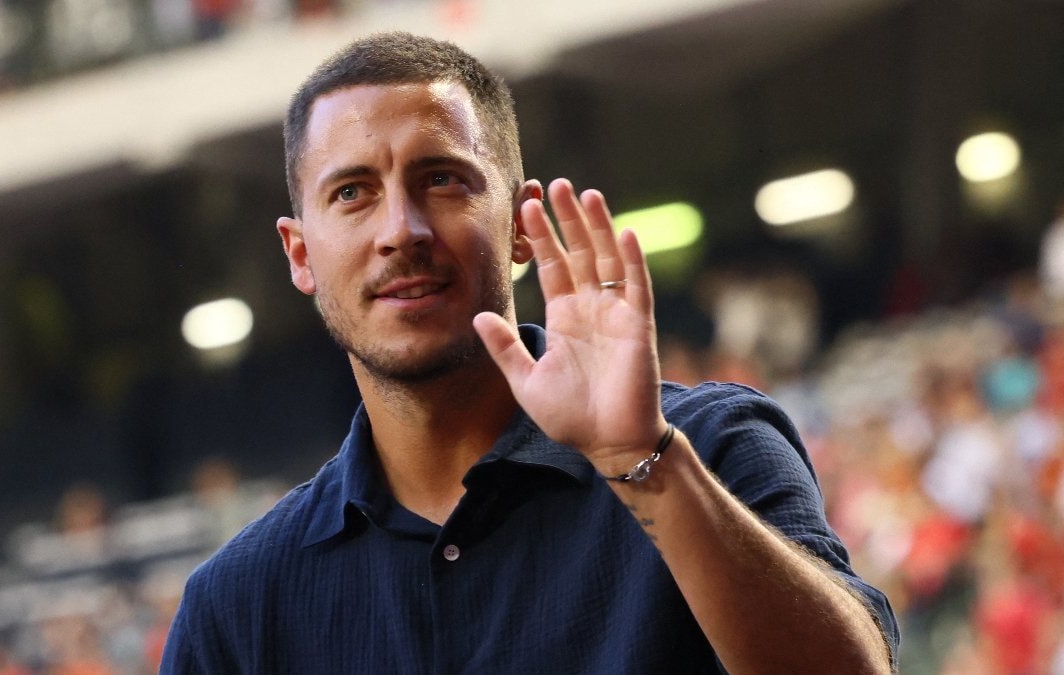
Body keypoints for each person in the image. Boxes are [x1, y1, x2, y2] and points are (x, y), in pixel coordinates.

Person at [161, 31, 898, 673]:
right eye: (353, 193)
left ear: (520, 223)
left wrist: (640, 461)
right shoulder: (236, 606)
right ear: (300, 254)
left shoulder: (713, 448)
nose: (401, 229)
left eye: (441, 179)